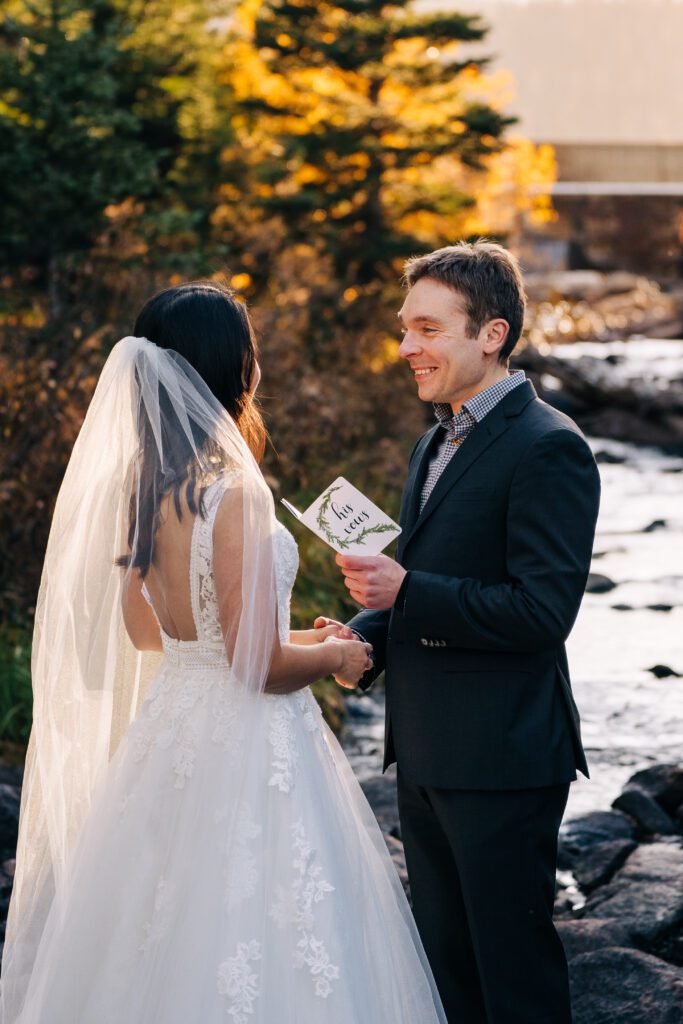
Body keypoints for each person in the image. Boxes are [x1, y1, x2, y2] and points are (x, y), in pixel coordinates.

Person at [0, 281, 446, 1023]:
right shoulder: (236, 490)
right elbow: (255, 667)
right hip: (245, 742)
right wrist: (337, 660)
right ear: (232, 368)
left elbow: (162, 636)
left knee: (155, 928)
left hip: (173, 730)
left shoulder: (147, 485)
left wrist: (302, 634)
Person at [316, 241, 601, 1024]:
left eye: (427, 330)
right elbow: (426, 573)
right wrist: (364, 634)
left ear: (491, 334)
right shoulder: (435, 439)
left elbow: (541, 614)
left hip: (503, 756)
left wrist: (408, 589)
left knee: (513, 978)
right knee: (447, 972)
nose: (407, 347)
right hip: (427, 747)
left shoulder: (550, 447)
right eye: (405, 330)